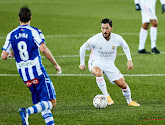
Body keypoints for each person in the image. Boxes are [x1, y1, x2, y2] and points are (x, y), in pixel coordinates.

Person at [1, 6, 62, 125]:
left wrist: (13, 54)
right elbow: (43, 49)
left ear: (19, 18)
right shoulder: (34, 31)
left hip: (24, 75)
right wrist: (56, 64)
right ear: (30, 18)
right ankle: (27, 111)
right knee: (52, 102)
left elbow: (4, 56)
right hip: (37, 71)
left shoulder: (11, 34)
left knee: (41, 101)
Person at [79, 18, 140, 107]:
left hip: (109, 64)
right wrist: (82, 63)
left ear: (111, 28)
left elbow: (125, 46)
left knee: (122, 84)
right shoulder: (96, 38)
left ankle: (130, 101)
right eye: (103, 28)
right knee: (98, 73)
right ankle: (106, 96)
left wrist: (129, 60)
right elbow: (82, 47)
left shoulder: (117, 38)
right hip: (95, 62)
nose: (104, 31)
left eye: (107, 28)